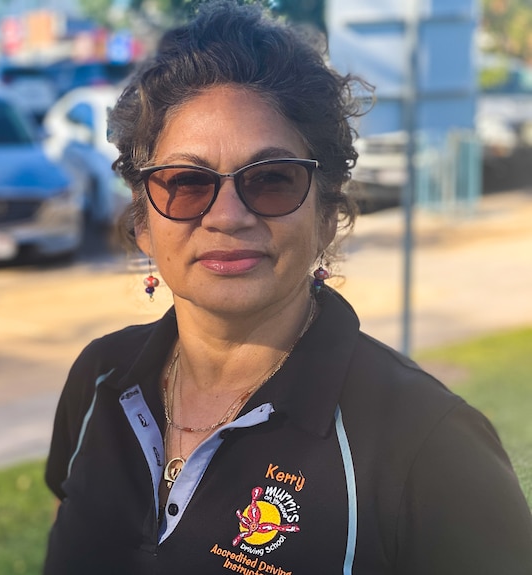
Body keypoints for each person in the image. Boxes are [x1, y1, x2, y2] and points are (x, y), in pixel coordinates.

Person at [42, 2, 532, 573]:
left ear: (327, 216)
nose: (227, 216)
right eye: (187, 183)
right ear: (144, 222)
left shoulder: (428, 443)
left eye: (271, 180)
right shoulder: (100, 378)